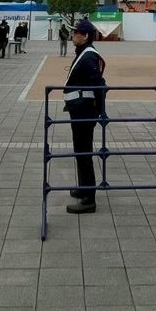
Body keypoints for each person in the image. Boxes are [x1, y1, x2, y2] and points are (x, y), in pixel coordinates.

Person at [63, 18, 107, 214]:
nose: (73, 35)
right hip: (80, 110)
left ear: (85, 36)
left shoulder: (88, 56)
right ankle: (84, 188)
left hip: (84, 112)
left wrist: (99, 112)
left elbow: (99, 85)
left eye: (76, 33)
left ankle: (89, 198)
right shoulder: (84, 53)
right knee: (80, 151)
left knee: (84, 152)